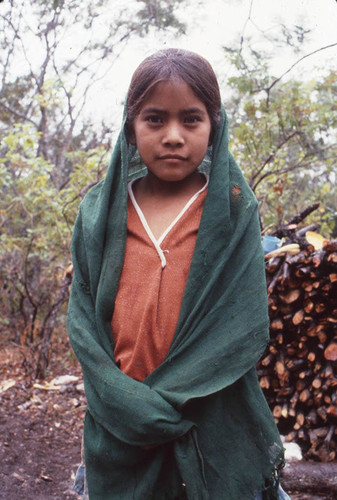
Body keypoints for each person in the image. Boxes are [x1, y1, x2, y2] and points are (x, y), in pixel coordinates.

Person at [67, 48, 291, 500]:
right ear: (131, 126)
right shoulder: (100, 211)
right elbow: (83, 321)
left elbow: (241, 323)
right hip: (121, 427)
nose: (173, 136)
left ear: (214, 125)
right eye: (154, 119)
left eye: (191, 119)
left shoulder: (231, 209)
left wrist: (165, 407)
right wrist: (127, 406)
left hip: (210, 418)